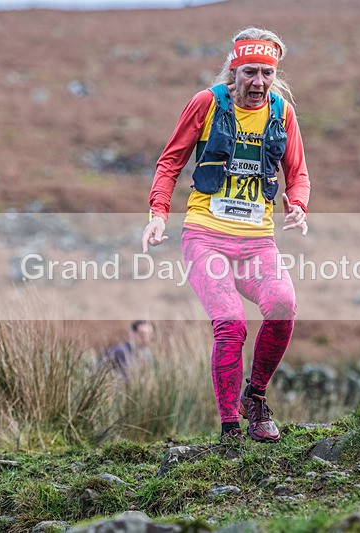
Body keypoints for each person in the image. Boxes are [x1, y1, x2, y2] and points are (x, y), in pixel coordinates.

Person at [141, 27, 310, 443]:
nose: (258, 82)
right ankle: (230, 427)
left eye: (267, 73)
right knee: (231, 323)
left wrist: (299, 205)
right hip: (206, 237)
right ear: (233, 71)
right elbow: (170, 162)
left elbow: (298, 173)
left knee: (283, 305)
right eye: (250, 72)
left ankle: (254, 398)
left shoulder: (282, 113)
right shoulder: (206, 104)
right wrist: (158, 214)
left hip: (257, 242)